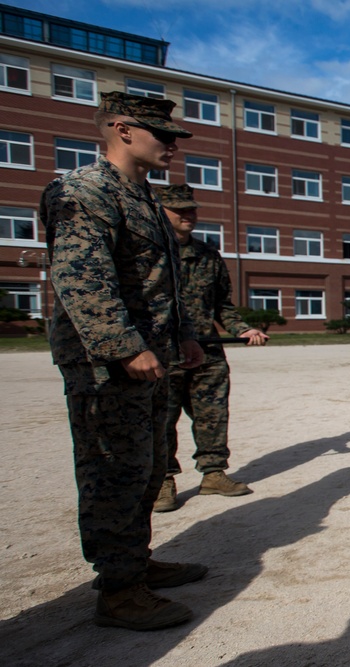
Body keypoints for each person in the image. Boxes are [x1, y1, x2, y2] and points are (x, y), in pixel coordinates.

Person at [42, 91, 207, 630]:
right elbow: (81, 278)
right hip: (108, 365)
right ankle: (118, 590)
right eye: (163, 135)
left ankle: (135, 564)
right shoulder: (83, 191)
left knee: (148, 465)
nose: (173, 146)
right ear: (123, 129)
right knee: (114, 471)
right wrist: (122, 346)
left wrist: (182, 335)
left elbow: (166, 282)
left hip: (152, 357)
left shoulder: (143, 198)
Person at [152, 184, 267, 512]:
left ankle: (213, 473)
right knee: (162, 418)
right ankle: (163, 480)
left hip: (208, 351)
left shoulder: (208, 256)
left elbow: (223, 305)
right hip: (164, 352)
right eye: (180, 210)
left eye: (192, 210)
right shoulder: (149, 253)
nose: (189, 216)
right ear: (162, 211)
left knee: (213, 415)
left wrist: (242, 328)